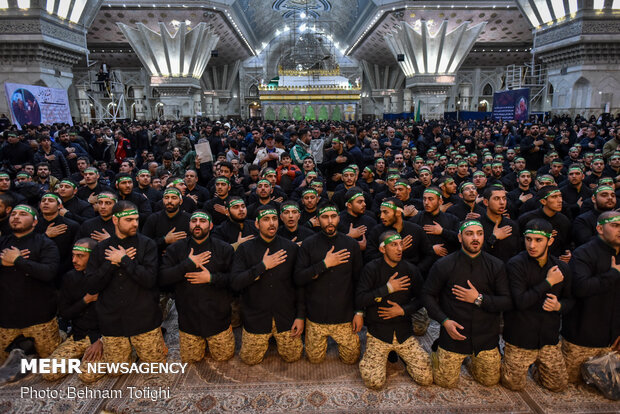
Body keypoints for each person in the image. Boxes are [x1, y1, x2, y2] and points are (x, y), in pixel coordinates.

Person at [81, 201, 166, 383]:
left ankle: (146, 346)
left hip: (143, 319)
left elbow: (150, 280)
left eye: (136, 219)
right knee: (114, 372)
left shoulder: (147, 244)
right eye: (129, 220)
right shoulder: (101, 249)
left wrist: (125, 260)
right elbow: (91, 286)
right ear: (115, 220)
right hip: (113, 322)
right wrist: (110, 264)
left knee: (156, 368)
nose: (135, 223)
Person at [422, 220, 512, 388]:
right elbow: (427, 295)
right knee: (445, 382)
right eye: (469, 234)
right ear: (459, 237)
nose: (475, 238)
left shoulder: (496, 265)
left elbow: (506, 301)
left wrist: (478, 298)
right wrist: (444, 321)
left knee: (490, 381)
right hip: (453, 335)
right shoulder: (444, 264)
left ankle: (473, 361)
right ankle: (438, 351)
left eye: (479, 233)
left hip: (485, 337)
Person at [501, 219, 573, 392]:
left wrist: (559, 306)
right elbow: (521, 302)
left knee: (558, 384)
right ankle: (504, 357)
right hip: (520, 337)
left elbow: (571, 301)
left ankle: (535, 369)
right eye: (528, 239)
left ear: (550, 241)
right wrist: (548, 282)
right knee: (513, 385)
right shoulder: (515, 265)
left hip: (547, 338)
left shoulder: (561, 267)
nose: (532, 245)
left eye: (538, 240)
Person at [356, 231, 433, 389]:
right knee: (374, 382)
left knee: (426, 378)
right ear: (383, 249)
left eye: (400, 244)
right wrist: (387, 289)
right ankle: (378, 356)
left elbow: (423, 298)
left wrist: (403, 311)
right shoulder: (371, 269)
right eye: (393, 245)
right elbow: (360, 299)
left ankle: (401, 355)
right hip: (379, 332)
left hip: (403, 332)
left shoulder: (411, 270)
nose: (399, 249)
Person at [230, 206, 303, 365]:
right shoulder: (245, 249)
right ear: (256, 224)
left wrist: (300, 317)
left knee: (293, 357)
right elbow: (235, 282)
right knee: (249, 360)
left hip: (285, 316)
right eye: (266, 219)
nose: (271, 223)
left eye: (274, 219)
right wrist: (262, 266)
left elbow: (300, 286)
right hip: (256, 316)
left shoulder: (290, 248)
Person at [159, 211, 235, 363]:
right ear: (189, 225)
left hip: (218, 318)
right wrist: (187, 265)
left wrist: (211, 278)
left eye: (202, 221)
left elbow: (235, 281)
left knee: (223, 357)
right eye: (194, 221)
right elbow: (162, 278)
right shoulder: (176, 249)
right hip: (189, 320)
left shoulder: (224, 249)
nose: (198, 224)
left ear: (211, 225)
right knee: (191, 359)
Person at [294, 202, 363, 364]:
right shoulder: (308, 244)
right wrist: (324, 264)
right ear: (318, 220)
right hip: (316, 316)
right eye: (325, 217)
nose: (330, 221)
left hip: (343, 315)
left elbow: (359, 281)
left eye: (333, 216)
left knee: (351, 359)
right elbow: (298, 278)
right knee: (314, 359)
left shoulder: (351, 245)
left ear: (339, 218)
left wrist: (359, 312)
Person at [561, 210, 620, 384]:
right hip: (583, 337)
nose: (619, 230)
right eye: (615, 225)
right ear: (600, 229)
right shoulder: (583, 254)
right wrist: (612, 274)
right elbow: (581, 288)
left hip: (614, 338)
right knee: (568, 381)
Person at [0, 204, 60, 363]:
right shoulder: (2, 242)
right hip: (6, 318)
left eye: (22, 214)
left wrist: (17, 261)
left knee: (49, 363)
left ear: (34, 222)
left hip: (39, 318)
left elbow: (49, 273)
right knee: (5, 365)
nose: (16, 217)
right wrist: (3, 264)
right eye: (13, 214)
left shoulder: (45, 243)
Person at [43, 238, 103, 382]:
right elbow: (64, 313)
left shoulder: (106, 277)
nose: (74, 260)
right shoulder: (70, 277)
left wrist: (102, 341)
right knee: (48, 372)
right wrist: (85, 300)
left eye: (80, 256)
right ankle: (79, 358)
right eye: (73, 256)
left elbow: (120, 315)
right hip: (79, 334)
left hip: (103, 337)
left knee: (87, 375)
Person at [142, 187, 190, 257]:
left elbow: (195, 243)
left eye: (174, 198)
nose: (169, 201)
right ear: (162, 200)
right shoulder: (153, 218)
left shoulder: (189, 219)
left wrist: (174, 252)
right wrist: (164, 240)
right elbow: (144, 244)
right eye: (166, 197)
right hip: (157, 260)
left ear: (181, 201)